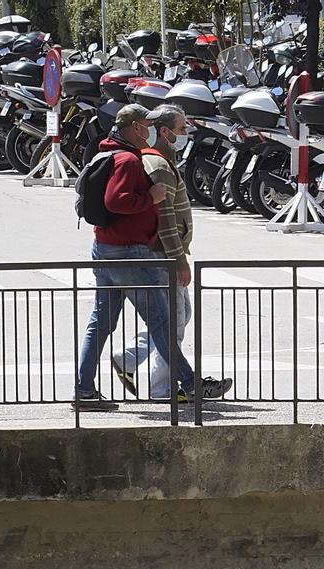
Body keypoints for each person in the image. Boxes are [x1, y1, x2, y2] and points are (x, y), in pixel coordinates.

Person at [73, 105, 224, 411]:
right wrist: (150, 198)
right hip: (130, 253)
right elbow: (117, 201)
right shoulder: (128, 160)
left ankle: (84, 390)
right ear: (136, 128)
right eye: (147, 124)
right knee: (161, 325)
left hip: (104, 249)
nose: (150, 130)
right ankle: (190, 384)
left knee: (100, 324)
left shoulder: (108, 153)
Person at [111, 106, 193, 399]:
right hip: (164, 256)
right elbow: (167, 219)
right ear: (165, 132)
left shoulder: (162, 161)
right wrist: (179, 259)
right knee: (172, 322)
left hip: (163, 254)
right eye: (182, 130)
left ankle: (129, 359)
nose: (185, 135)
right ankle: (163, 389)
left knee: (178, 318)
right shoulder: (157, 165)